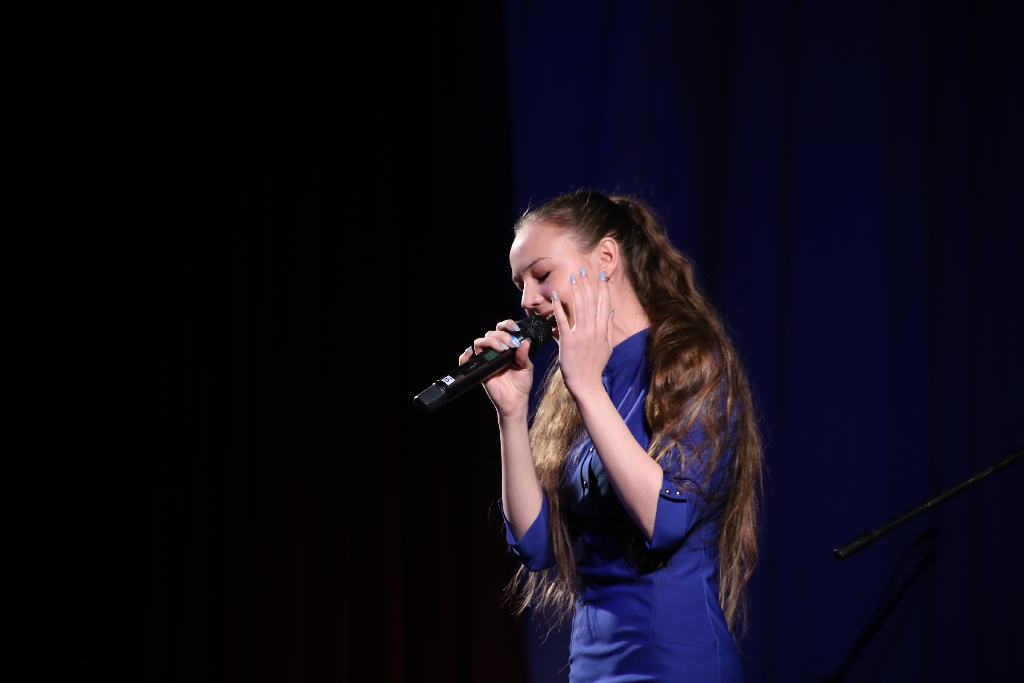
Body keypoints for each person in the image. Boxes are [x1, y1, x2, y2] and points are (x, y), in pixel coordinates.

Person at [461, 190, 763, 682]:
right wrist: (511, 414)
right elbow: (536, 546)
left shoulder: (690, 362)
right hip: (593, 665)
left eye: (542, 274)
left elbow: (665, 520)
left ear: (605, 258)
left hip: (672, 663)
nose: (527, 300)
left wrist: (585, 386)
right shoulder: (579, 387)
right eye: (520, 284)